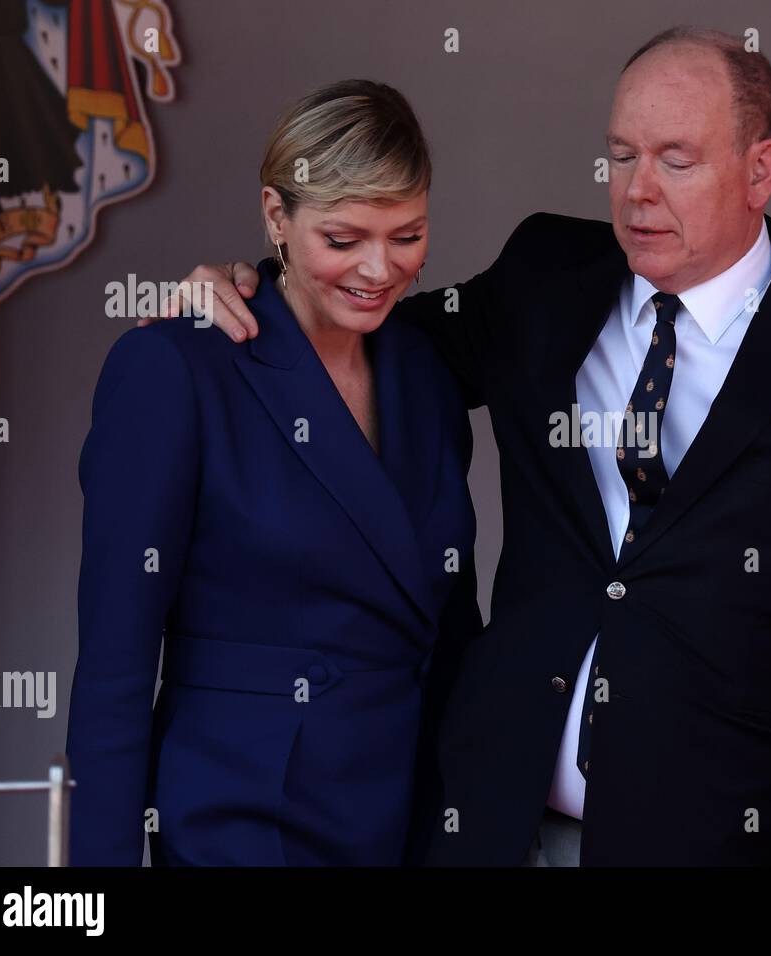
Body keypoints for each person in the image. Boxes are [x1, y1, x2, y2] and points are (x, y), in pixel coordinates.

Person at [160, 27, 771, 866]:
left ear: (762, 169)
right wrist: (261, 287)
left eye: (676, 161)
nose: (637, 192)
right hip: (490, 830)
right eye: (622, 156)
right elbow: (373, 337)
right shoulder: (546, 276)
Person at [65, 79, 480, 865]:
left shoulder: (425, 375)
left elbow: (453, 628)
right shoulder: (175, 369)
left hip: (409, 818)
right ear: (275, 216)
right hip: (243, 821)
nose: (378, 269)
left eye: (407, 235)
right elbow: (114, 671)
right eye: (345, 237)